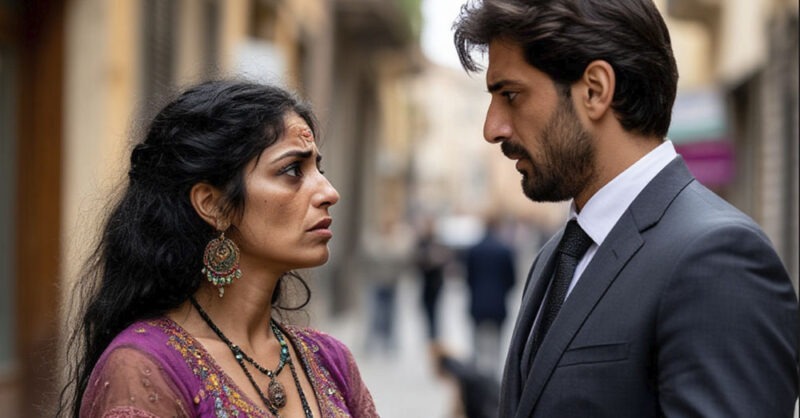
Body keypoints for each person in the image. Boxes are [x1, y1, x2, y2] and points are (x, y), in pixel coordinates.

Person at [453, 1, 799, 416]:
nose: (492, 128)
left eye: (511, 95)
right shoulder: (557, 255)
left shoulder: (718, 260)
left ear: (595, 90)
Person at [56, 80, 378, 418]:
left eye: (318, 169)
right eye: (292, 170)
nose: (329, 192)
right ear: (214, 205)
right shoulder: (146, 367)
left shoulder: (331, 361)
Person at [463, 215, 516, 378]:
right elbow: (512, 279)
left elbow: (468, 277)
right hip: (498, 302)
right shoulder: (504, 250)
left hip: (477, 301)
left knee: (477, 340)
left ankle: (477, 373)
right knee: (497, 341)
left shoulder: (474, 249)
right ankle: (493, 374)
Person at [413, 216, 451, 343]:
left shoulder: (438, 241)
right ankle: (430, 336)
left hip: (436, 283)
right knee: (426, 311)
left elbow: (446, 258)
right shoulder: (422, 242)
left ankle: (434, 337)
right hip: (426, 283)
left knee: (435, 312)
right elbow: (417, 260)